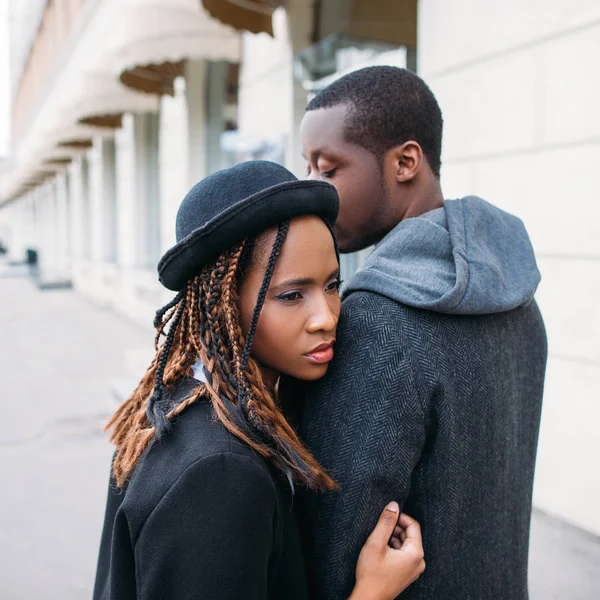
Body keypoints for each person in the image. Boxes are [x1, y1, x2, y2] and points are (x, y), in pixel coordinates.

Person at [93, 160, 425, 600]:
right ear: (224, 304)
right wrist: (373, 593)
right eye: (291, 295)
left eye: (331, 285)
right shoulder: (219, 473)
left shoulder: (187, 400)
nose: (326, 317)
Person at [297, 66, 547, 599]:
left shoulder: (376, 321)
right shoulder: (519, 298)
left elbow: (336, 545)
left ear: (406, 162)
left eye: (328, 169)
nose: (314, 192)